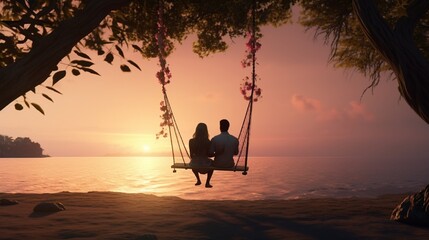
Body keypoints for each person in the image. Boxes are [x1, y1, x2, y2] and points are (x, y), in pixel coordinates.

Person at [189, 123, 214, 188]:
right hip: (205, 164)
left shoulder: (191, 141)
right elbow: (209, 155)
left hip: (195, 164)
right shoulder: (208, 142)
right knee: (213, 164)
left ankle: (198, 180)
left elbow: (191, 155)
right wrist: (217, 153)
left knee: (192, 163)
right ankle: (207, 182)